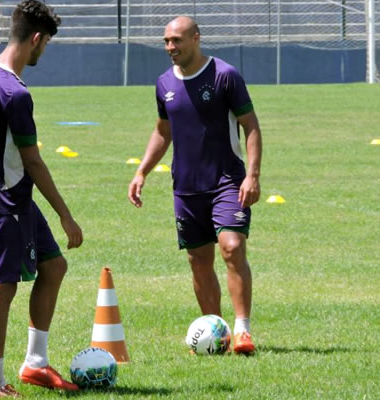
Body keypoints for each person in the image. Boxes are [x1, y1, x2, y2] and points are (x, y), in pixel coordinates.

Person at [0, 1, 83, 396]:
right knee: (2, 287)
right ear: (37, 38)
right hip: (8, 204)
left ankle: (35, 364)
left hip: (9, 198)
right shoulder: (15, 93)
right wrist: (66, 215)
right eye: (47, 43)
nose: (44, 51)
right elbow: (33, 161)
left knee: (53, 266)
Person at [128, 16, 262, 355]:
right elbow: (163, 131)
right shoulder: (163, 83)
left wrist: (253, 175)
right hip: (186, 187)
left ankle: (242, 330)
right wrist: (142, 171)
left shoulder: (224, 75)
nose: (170, 47)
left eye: (176, 40)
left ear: (196, 38)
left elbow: (251, 126)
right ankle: (216, 332)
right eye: (166, 41)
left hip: (227, 180)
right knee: (199, 260)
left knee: (231, 246)